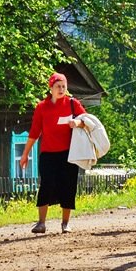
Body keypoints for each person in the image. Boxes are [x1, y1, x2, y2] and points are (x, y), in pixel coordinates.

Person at [19, 72, 87, 234]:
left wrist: (77, 122)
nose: (61, 89)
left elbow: (88, 121)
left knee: (68, 186)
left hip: (69, 154)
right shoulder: (42, 107)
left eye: (64, 86)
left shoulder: (73, 103)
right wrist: (25, 154)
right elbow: (35, 132)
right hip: (48, 154)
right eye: (58, 86)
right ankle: (41, 223)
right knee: (46, 186)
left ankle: (65, 224)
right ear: (51, 88)